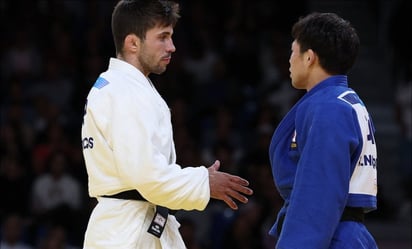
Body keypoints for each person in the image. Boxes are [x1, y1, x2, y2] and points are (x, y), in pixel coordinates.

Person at [80, 1, 253, 249]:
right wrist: (204, 181)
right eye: (163, 37)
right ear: (133, 43)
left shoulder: (120, 86)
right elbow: (147, 176)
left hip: (133, 224)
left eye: (171, 37)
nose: (171, 47)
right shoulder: (125, 92)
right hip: (127, 233)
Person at [268, 12, 378, 248]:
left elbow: (318, 194)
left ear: (309, 58)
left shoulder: (329, 107)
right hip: (341, 231)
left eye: (292, 52)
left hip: (329, 234)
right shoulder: (344, 101)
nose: (289, 60)